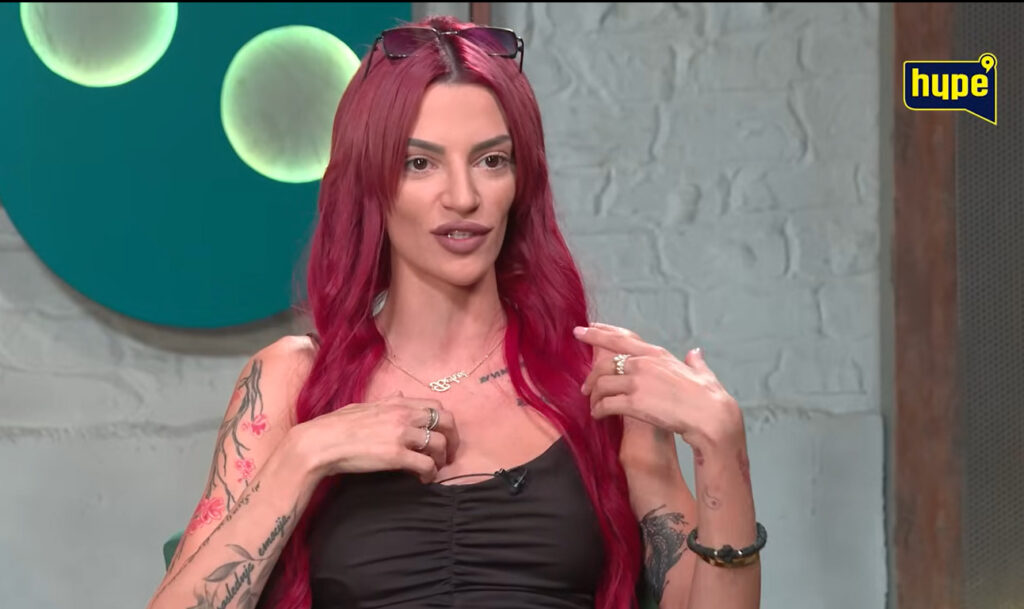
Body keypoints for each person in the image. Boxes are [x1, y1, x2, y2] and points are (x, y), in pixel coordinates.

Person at [145, 14, 763, 609]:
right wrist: (303, 456)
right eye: (420, 163)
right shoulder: (291, 382)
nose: (464, 197)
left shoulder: (603, 383)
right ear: (371, 183)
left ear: (521, 181)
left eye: (492, 160)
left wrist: (722, 448)